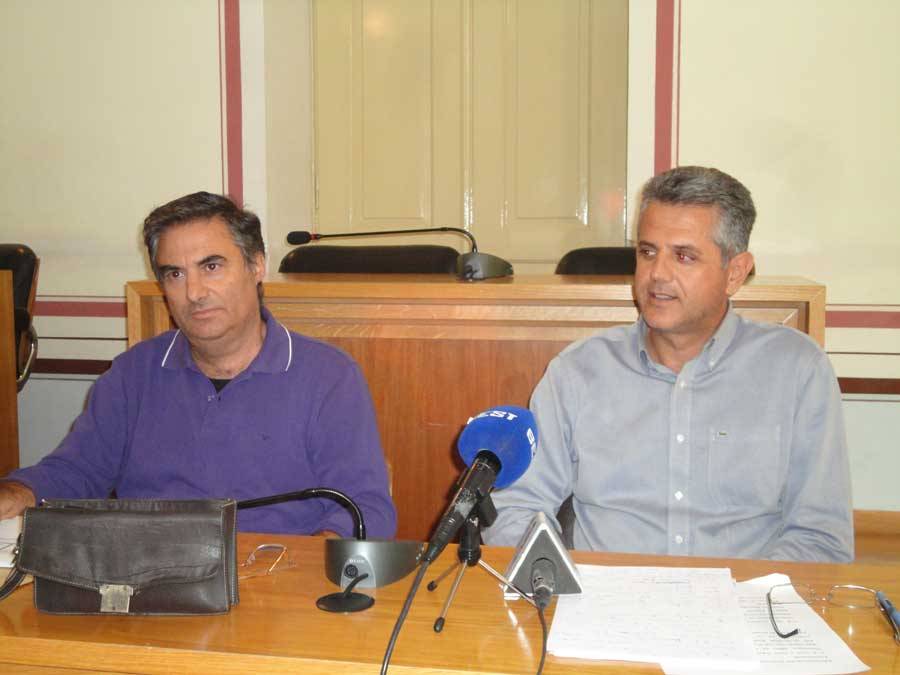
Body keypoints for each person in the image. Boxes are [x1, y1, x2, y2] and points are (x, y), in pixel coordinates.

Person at [483, 166, 853, 562]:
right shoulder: (578, 371)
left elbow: (820, 538)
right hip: (603, 593)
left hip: (747, 595)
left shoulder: (796, 370)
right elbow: (516, 508)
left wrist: (749, 594)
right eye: (647, 252)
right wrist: (556, 578)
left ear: (735, 273)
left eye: (684, 256)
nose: (657, 274)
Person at [0, 192, 397, 537]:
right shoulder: (132, 374)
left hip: (275, 578)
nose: (194, 292)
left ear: (257, 266)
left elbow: (364, 508)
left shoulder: (328, 376)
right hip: (149, 578)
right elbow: (76, 471)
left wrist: (308, 572)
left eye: (211, 266)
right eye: (175, 274)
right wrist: (16, 495)